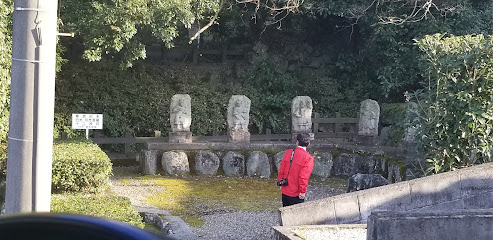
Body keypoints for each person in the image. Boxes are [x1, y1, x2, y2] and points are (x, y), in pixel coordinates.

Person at [277, 133, 314, 207]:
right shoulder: (308, 158)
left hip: (285, 189)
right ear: (308, 144)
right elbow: (303, 177)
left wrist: (280, 181)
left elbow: (282, 169)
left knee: (286, 213)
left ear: (297, 142)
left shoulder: (288, 152)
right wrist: (302, 191)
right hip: (296, 192)